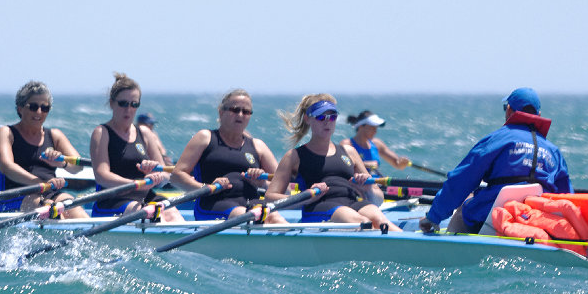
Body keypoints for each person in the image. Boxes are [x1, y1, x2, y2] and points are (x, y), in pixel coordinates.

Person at [418, 87, 573, 234]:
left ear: (509, 110)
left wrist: (433, 217)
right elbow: (567, 199)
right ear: (538, 114)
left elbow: (461, 181)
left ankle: (449, 249)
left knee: (464, 207)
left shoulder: (497, 140)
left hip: (491, 218)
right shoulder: (554, 152)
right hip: (535, 221)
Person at [266, 93, 396, 230]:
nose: (327, 122)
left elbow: (378, 199)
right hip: (318, 207)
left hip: (351, 203)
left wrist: (368, 189)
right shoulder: (294, 156)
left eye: (332, 117)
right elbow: (269, 197)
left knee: (380, 220)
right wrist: (305, 197)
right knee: (363, 222)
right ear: (307, 119)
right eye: (321, 117)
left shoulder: (350, 152)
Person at [171, 89, 285, 223]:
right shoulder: (205, 138)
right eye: (235, 110)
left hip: (251, 204)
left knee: (275, 217)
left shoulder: (258, 146)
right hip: (213, 204)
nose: (240, 115)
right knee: (252, 215)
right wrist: (207, 188)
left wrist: (263, 183)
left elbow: (284, 187)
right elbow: (176, 176)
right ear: (221, 112)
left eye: (246, 111)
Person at [88, 73, 183, 222]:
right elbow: (102, 175)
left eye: (134, 104)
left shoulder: (145, 133)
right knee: (152, 215)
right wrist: (136, 185)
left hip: (145, 196)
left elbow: (164, 173)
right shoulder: (102, 133)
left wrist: (155, 175)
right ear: (112, 103)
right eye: (123, 103)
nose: (129, 109)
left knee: (173, 214)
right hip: (112, 200)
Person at [0, 80, 89, 218]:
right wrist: (41, 183)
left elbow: (78, 167)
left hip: (50, 192)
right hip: (16, 197)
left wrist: (62, 163)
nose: (39, 112)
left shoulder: (55, 135)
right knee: (50, 210)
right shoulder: (6, 133)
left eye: (45, 108)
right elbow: (7, 167)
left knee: (74, 208)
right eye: (33, 107)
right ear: (20, 108)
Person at [339, 110, 411, 177]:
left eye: (376, 128)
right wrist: (364, 164)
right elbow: (340, 164)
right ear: (361, 126)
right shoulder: (347, 144)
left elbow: (397, 164)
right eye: (372, 128)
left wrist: (402, 162)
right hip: (356, 183)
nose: (375, 131)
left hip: (376, 183)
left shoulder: (377, 144)